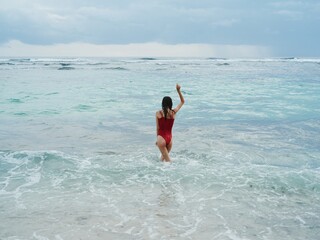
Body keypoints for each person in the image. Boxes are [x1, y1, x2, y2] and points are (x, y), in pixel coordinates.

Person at [156, 84, 184, 162]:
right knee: (162, 161)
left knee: (168, 162)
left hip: (161, 139)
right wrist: (178, 91)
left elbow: (158, 128)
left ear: (163, 104)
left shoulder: (158, 113)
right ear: (170, 103)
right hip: (169, 139)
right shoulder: (173, 112)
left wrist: (157, 140)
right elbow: (182, 101)